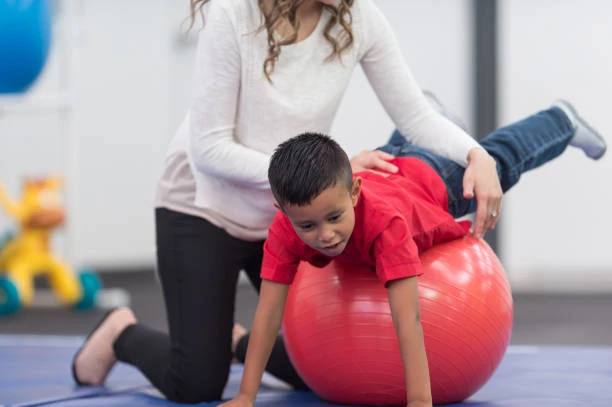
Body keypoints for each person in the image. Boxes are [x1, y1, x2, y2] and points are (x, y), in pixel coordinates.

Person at [71, 0, 505, 403]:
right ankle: (120, 333)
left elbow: (415, 116)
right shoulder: (233, 15)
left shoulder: (358, 17)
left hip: (290, 217)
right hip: (202, 207)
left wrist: (476, 155)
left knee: (326, 369)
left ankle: (232, 342)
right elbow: (210, 148)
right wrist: (315, 177)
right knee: (196, 382)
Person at [221, 101, 606, 407]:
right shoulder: (287, 228)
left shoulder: (387, 227)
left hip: (433, 179)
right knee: (398, 150)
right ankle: (427, 113)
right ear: (283, 212)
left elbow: (408, 319)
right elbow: (269, 315)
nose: (325, 235)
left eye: (335, 218)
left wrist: (420, 402)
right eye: (308, 226)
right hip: (386, 167)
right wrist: (245, 397)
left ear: (353, 194)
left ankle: (561, 121)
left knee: (500, 159)